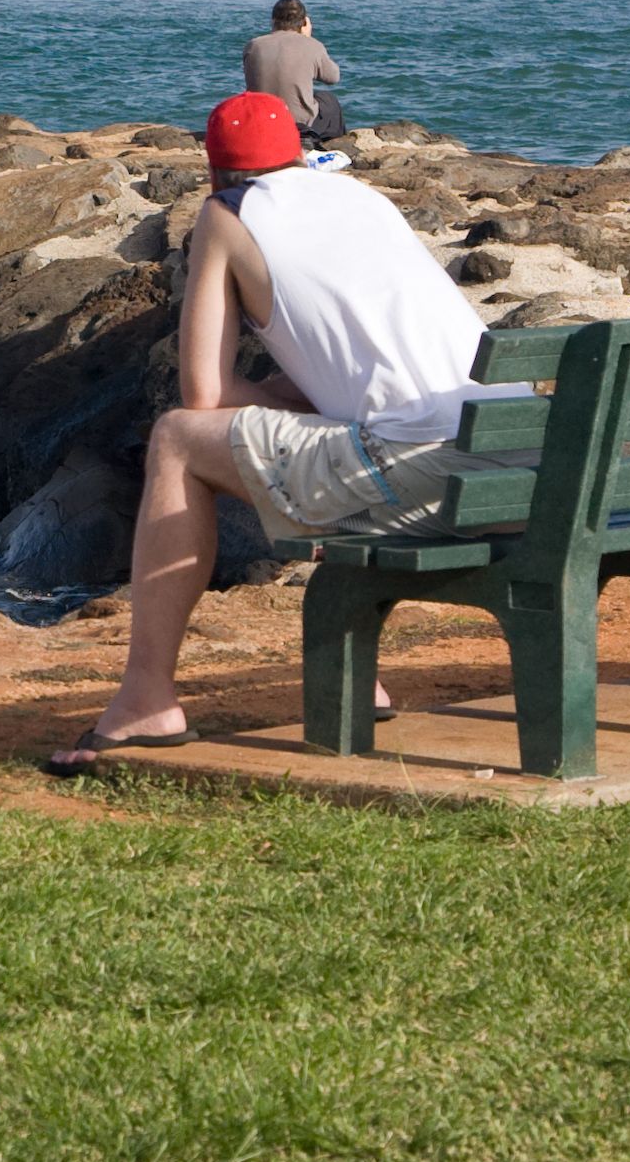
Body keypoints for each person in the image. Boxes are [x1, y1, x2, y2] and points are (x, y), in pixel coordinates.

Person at [46, 92, 518, 772]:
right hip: (528, 461)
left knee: (178, 440)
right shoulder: (362, 200)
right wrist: (289, 400)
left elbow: (203, 396)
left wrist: (262, 396)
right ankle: (357, 675)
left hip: (425, 466)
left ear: (216, 173)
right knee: (334, 438)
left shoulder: (228, 215)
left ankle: (146, 699)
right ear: (301, 155)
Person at [241, 0, 348, 144]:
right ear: (304, 23)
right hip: (298, 123)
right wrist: (307, 38)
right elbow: (333, 77)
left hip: (262, 119)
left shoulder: (253, 45)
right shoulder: (312, 45)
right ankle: (325, 145)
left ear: (273, 21)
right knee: (329, 100)